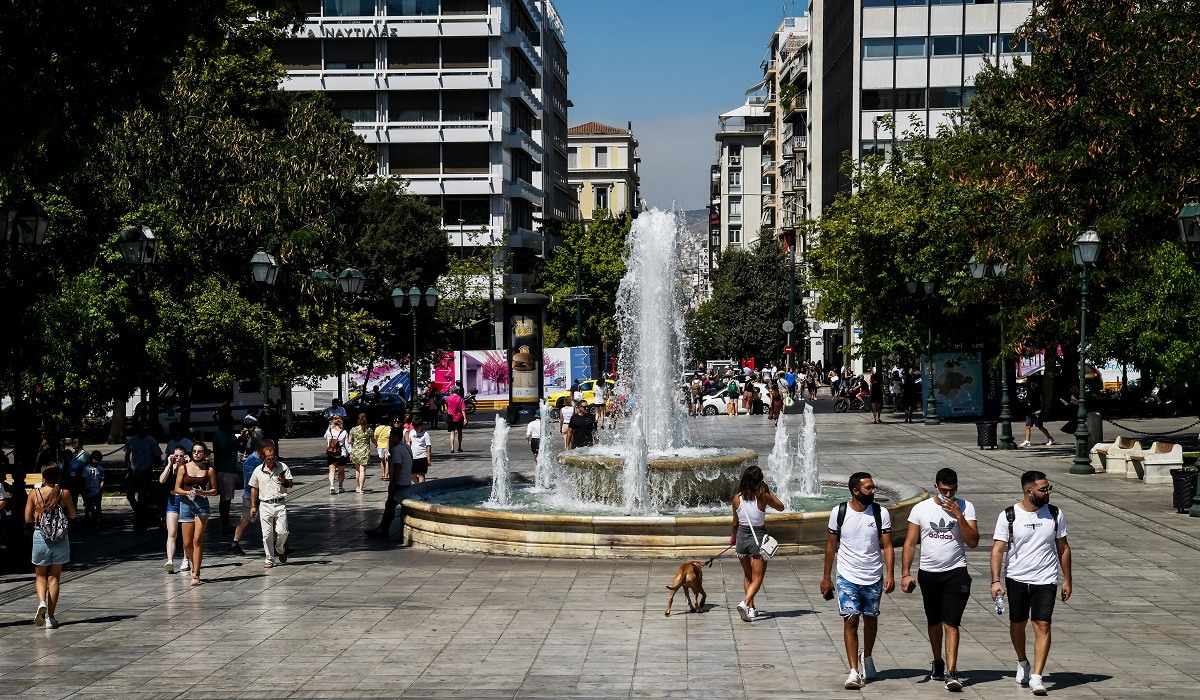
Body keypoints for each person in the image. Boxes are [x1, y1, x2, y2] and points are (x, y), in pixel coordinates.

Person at [989, 471, 1072, 696]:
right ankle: (1022, 662)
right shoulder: (1009, 515)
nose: (1048, 492)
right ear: (1029, 491)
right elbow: (998, 549)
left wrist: (1067, 580)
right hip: (1016, 577)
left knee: (1042, 624)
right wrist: (995, 581)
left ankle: (1037, 676)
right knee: (1018, 623)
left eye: (1048, 488)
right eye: (1043, 489)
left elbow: (1063, 548)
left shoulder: (1054, 513)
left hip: (1045, 579)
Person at [901, 468, 979, 690]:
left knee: (951, 621)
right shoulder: (921, 509)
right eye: (944, 491)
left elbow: (973, 541)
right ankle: (937, 660)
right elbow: (909, 543)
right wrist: (905, 573)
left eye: (952, 491)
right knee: (934, 620)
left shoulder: (965, 507)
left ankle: (952, 672)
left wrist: (959, 516)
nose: (948, 495)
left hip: (956, 571)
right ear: (936, 486)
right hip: (929, 572)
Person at [821, 472, 895, 689]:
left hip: (873, 575)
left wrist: (890, 573)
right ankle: (853, 671)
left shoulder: (881, 513)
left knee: (871, 619)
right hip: (847, 574)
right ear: (855, 491)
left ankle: (868, 657)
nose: (873, 491)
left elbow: (888, 546)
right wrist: (827, 577)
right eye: (869, 488)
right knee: (851, 619)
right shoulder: (839, 512)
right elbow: (830, 546)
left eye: (873, 487)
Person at [730, 465, 785, 622]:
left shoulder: (736, 498)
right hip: (758, 536)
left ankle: (752, 609)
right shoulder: (763, 497)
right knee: (758, 578)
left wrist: (734, 538)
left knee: (748, 575)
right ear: (760, 481)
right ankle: (746, 603)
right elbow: (781, 507)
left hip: (741, 536)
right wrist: (768, 491)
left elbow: (734, 523)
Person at [26, 461, 76, 628]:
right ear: (59, 476)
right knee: (54, 577)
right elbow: (73, 515)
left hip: (40, 537)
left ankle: (41, 602)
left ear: (43, 476)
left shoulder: (35, 494)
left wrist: (37, 512)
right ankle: (51, 618)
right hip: (60, 539)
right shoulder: (65, 493)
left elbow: (27, 518)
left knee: (40, 576)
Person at [175, 442, 217, 586]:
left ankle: (196, 573)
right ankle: (195, 562)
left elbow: (214, 490)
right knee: (187, 543)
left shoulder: (209, 470)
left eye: (200, 451)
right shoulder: (183, 468)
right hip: (186, 504)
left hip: (201, 505)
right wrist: (188, 492)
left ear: (204, 453)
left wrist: (202, 492)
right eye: (194, 451)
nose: (197, 454)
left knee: (197, 539)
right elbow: (177, 488)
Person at [248, 439, 293, 569]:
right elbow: (254, 488)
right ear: (263, 458)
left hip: (279, 503)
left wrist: (284, 481)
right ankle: (269, 558)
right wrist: (253, 506)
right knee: (267, 534)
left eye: (274, 458)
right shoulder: (257, 471)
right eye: (269, 459)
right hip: (265, 504)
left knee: (283, 532)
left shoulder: (282, 467)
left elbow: (290, 484)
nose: (272, 460)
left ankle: (280, 548)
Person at [364, 427, 414, 540]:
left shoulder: (397, 450)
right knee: (395, 506)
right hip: (406, 482)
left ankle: (382, 528)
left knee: (390, 506)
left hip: (399, 483)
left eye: (391, 436)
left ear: (396, 436)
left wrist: (393, 484)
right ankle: (383, 527)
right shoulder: (406, 447)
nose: (390, 439)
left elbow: (397, 467)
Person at [123, 422, 162, 530]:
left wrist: (149, 470)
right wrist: (129, 468)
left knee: (143, 497)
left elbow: (158, 459)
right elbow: (127, 455)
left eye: (145, 428)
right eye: (141, 427)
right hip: (134, 472)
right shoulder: (131, 440)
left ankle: (141, 519)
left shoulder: (151, 441)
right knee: (130, 495)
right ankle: (139, 513)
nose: (143, 429)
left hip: (146, 473)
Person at [159, 445, 188, 572]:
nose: (179, 458)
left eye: (181, 456)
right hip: (172, 500)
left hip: (185, 500)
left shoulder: (188, 468)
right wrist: (169, 465)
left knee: (186, 533)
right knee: (171, 532)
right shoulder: (171, 467)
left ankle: (186, 560)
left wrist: (189, 463)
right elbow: (161, 480)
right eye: (176, 456)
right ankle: (170, 560)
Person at [230, 446, 261, 556]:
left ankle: (278, 545)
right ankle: (234, 543)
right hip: (250, 495)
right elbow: (250, 480)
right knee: (245, 520)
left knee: (272, 519)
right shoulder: (251, 460)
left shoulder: (262, 458)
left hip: (262, 495)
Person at [212, 418, 240, 534]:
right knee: (225, 498)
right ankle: (225, 525)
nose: (232, 426)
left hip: (231, 468)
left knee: (228, 499)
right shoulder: (219, 436)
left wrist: (242, 440)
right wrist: (237, 442)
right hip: (224, 469)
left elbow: (239, 448)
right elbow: (225, 450)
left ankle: (226, 523)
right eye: (230, 424)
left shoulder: (230, 434)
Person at [1021, 380, 1055, 447]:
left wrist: (1040, 410)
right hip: (1030, 411)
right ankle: (1027, 441)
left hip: (1037, 411)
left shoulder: (1040, 393)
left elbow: (1042, 402)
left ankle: (1050, 438)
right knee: (1028, 426)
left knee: (1040, 427)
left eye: (1034, 384)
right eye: (1031, 385)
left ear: (1037, 385)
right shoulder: (1030, 392)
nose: (1032, 386)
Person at [324, 416, 349, 494]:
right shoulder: (344, 432)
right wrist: (350, 453)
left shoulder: (328, 431)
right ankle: (340, 486)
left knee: (332, 470)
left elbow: (325, 438)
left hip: (331, 453)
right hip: (341, 453)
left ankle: (332, 485)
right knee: (341, 471)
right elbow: (347, 445)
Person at [81, 450, 105, 530]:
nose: (96, 461)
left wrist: (101, 488)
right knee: (88, 507)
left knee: (98, 506)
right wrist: (85, 487)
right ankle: (87, 520)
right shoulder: (86, 469)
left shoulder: (100, 469)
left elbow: (102, 479)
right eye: (95, 459)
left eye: (98, 460)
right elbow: (83, 479)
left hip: (96, 490)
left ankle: (98, 520)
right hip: (88, 490)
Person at [348, 413, 371, 493]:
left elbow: (350, 441)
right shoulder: (368, 430)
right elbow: (373, 440)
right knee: (363, 471)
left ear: (358, 420)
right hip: (364, 452)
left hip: (356, 452)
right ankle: (361, 488)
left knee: (357, 470)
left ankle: (358, 486)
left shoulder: (353, 430)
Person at [408, 419, 432, 484]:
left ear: (421, 426)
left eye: (417, 427)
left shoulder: (425, 434)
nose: (416, 429)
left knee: (421, 474)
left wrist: (428, 459)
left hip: (422, 457)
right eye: (414, 427)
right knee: (412, 475)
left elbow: (428, 447)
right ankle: (419, 486)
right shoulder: (411, 432)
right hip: (413, 457)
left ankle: (421, 489)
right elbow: (409, 443)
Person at [444, 388, 467, 453]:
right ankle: (459, 447)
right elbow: (463, 409)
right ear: (458, 392)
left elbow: (447, 404)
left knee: (452, 433)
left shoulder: (448, 398)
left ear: (451, 392)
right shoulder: (461, 399)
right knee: (460, 432)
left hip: (450, 417)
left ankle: (452, 448)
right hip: (459, 417)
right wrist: (465, 418)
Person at [372, 415, 392, 481]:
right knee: (387, 461)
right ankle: (386, 475)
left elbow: (375, 438)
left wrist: (376, 444)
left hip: (380, 446)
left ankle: (383, 474)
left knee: (382, 460)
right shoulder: (390, 428)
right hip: (387, 446)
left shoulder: (377, 428)